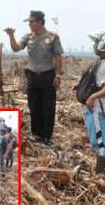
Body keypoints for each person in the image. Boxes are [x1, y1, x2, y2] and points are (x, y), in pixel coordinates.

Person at [5, 10, 64, 145]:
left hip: (47, 75)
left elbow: (58, 56)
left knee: (48, 107)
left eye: (31, 22)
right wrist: (11, 36)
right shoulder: (28, 37)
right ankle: (36, 135)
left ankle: (46, 137)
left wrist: (58, 75)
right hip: (32, 76)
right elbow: (16, 48)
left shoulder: (52, 37)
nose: (29, 24)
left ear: (39, 22)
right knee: (34, 106)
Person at [75, 31, 105, 173]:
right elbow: (98, 81)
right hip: (93, 107)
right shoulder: (101, 62)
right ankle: (101, 167)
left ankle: (101, 172)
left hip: (98, 107)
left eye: (96, 42)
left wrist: (93, 97)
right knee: (95, 137)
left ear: (103, 44)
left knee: (100, 139)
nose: (94, 45)